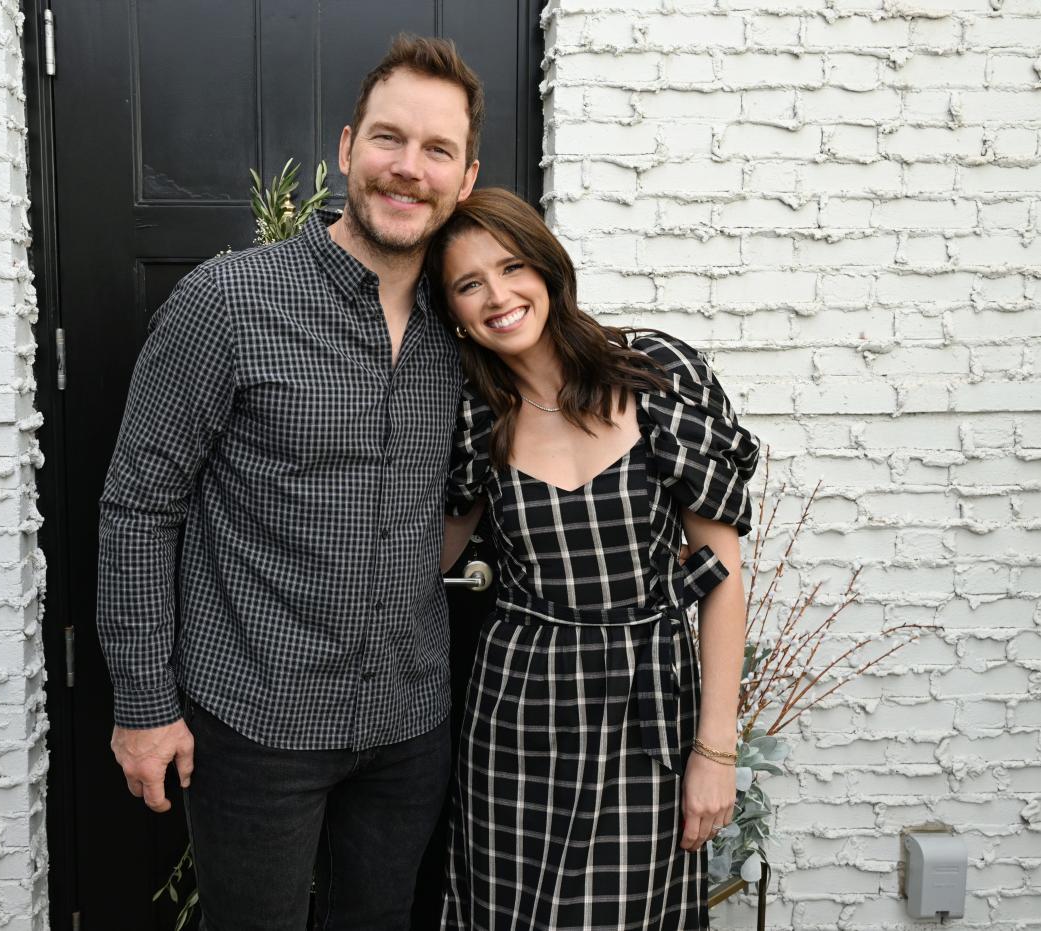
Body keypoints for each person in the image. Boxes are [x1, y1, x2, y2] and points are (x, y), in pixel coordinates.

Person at [95, 36, 481, 931]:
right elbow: (138, 506)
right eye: (390, 139)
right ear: (347, 149)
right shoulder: (228, 303)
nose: (407, 169)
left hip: (408, 721)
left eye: (437, 151)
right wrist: (144, 707)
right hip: (255, 720)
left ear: (463, 180)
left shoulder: (461, 328)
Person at [427, 188, 760, 931]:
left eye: (511, 267)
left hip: (646, 710)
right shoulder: (473, 413)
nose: (498, 296)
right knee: (505, 912)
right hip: (517, 709)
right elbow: (426, 559)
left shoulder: (657, 376)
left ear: (546, 268)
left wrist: (714, 751)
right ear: (450, 308)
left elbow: (722, 579)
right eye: (468, 283)